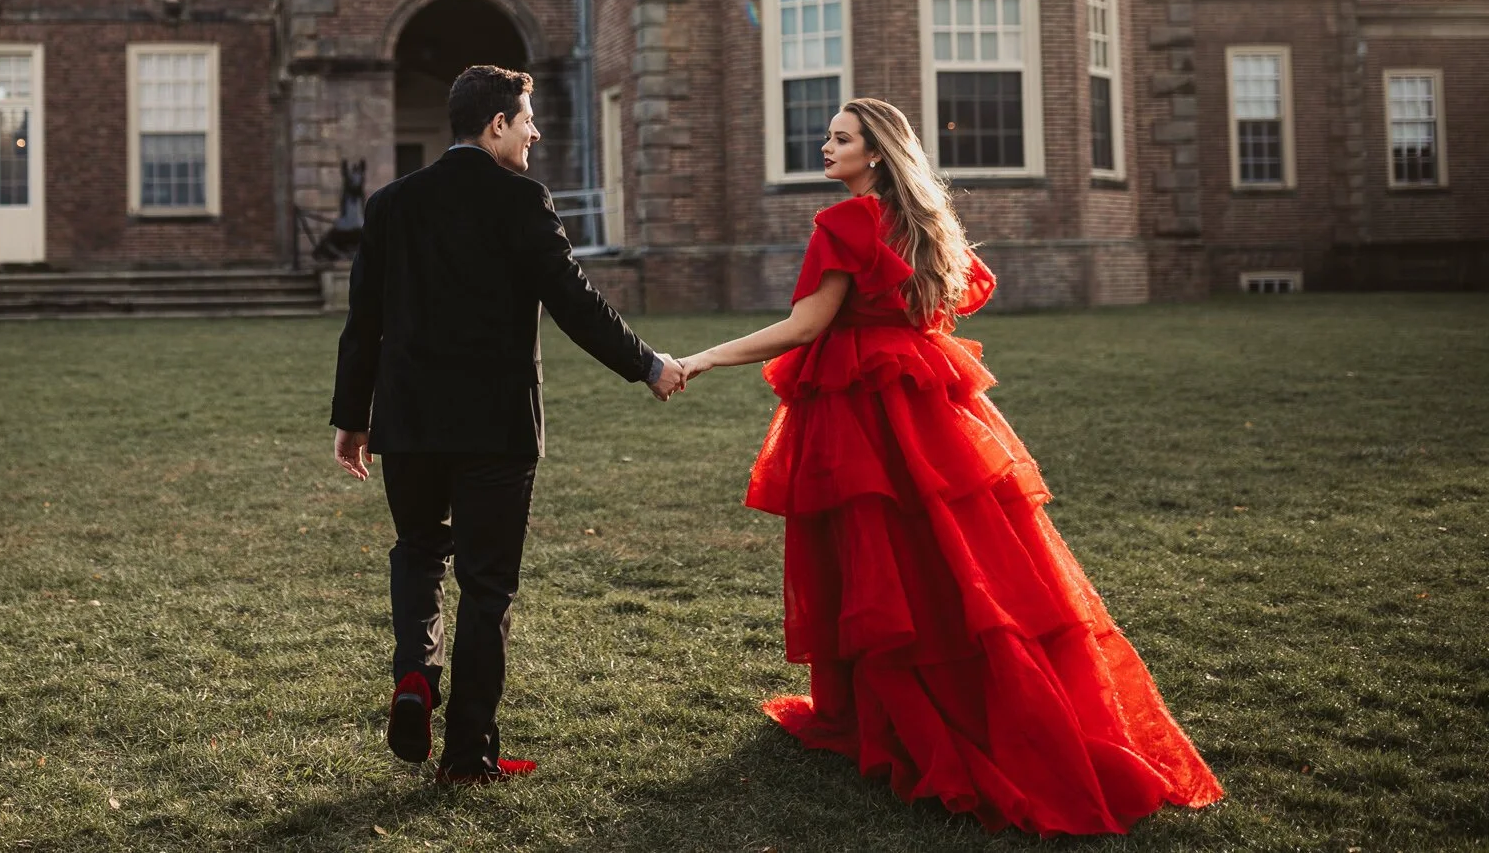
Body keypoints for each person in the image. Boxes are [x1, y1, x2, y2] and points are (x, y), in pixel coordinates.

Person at [678, 98, 1224, 835]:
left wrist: (703, 356)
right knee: (954, 560)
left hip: (866, 413)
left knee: (884, 563)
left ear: (875, 153)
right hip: (928, 406)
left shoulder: (842, 223)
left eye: (840, 138)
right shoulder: (922, 221)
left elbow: (806, 325)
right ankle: (959, 700)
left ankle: (902, 714)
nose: (824, 146)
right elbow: (968, 288)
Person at [330, 63, 685, 784]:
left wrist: (351, 418)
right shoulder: (523, 200)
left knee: (420, 551)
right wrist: (647, 364)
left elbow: (362, 323)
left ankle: (414, 675)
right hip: (497, 428)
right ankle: (468, 754)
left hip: (409, 423)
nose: (535, 132)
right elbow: (576, 303)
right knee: (487, 587)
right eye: (527, 120)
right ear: (496, 124)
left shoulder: (392, 204)